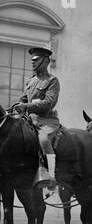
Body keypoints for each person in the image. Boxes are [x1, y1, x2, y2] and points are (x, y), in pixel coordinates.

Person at [14, 47, 60, 190]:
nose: (32, 63)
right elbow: (22, 100)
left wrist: (26, 106)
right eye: (32, 60)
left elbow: (47, 104)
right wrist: (15, 108)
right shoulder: (31, 81)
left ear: (45, 61)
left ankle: (51, 176)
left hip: (45, 120)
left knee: (44, 139)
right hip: (28, 120)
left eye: (36, 60)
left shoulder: (52, 81)